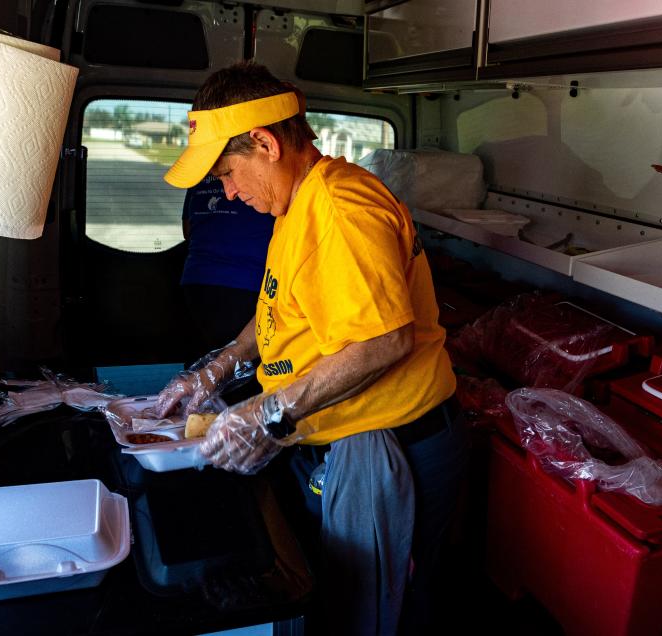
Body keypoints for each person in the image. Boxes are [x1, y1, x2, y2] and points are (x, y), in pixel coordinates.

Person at [155, 62, 467, 635]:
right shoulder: (297, 204)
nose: (226, 192)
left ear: (266, 143)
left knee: (394, 601)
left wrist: (269, 413)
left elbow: (384, 337)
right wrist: (219, 369)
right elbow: (277, 307)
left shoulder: (341, 210)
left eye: (227, 172)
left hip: (401, 444)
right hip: (338, 434)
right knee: (349, 593)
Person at [180, 174, 275, 359]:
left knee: (202, 363)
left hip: (196, 279)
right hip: (248, 283)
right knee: (246, 365)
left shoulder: (200, 171)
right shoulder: (257, 174)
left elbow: (187, 229)